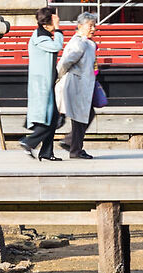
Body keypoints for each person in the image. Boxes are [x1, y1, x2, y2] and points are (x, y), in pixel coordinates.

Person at [20, 8, 63, 160]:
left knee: (53, 117)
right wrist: (58, 29)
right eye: (54, 20)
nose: (57, 22)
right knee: (50, 118)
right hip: (41, 84)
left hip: (46, 82)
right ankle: (29, 142)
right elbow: (57, 46)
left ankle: (46, 152)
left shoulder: (43, 35)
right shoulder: (41, 38)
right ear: (46, 24)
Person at [56, 14, 100, 158]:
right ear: (80, 26)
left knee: (84, 115)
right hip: (77, 84)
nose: (93, 29)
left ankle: (72, 144)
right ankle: (74, 148)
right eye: (90, 25)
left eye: (94, 25)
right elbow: (65, 62)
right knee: (80, 117)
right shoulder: (78, 43)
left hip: (84, 84)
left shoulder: (87, 43)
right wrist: (57, 77)